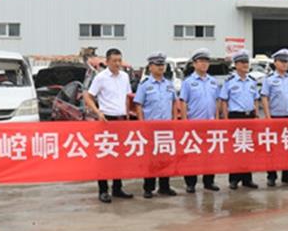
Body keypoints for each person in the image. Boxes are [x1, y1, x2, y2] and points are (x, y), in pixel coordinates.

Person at [84, 47, 134, 203]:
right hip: (106, 120)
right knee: (105, 155)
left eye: (119, 60)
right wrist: (98, 112)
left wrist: (127, 113)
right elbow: (88, 96)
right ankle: (103, 190)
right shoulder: (101, 77)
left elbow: (127, 96)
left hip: (121, 120)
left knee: (119, 157)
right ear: (107, 62)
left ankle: (117, 188)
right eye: (114, 61)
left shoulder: (125, 76)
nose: (117, 64)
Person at [134, 51, 179, 198]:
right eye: (157, 64)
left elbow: (174, 103)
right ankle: (148, 187)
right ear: (150, 67)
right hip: (150, 127)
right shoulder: (145, 85)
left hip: (166, 127)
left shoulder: (169, 85)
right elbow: (138, 105)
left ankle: (164, 186)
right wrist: (141, 123)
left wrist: (174, 120)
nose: (161, 67)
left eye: (162, 64)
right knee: (151, 159)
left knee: (165, 157)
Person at [180, 48, 221, 193]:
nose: (204, 64)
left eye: (206, 61)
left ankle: (209, 181)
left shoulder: (213, 81)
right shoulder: (188, 82)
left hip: (210, 123)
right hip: (194, 123)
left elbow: (217, 101)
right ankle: (190, 183)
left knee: (210, 154)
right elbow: (183, 102)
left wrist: (217, 118)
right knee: (192, 154)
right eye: (201, 61)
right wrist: (184, 121)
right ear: (194, 64)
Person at [261, 48, 288, 187]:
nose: (284, 64)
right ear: (275, 62)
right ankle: (271, 176)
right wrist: (267, 116)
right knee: (273, 149)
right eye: (281, 61)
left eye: (286, 61)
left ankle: (287, 175)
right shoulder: (269, 80)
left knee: (287, 148)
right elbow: (265, 98)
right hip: (275, 117)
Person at [219, 49, 260, 189]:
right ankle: (234, 179)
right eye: (242, 62)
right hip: (236, 116)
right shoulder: (229, 82)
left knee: (248, 147)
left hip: (249, 116)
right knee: (236, 149)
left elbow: (256, 99)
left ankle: (247, 179)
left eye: (246, 62)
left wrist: (256, 114)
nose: (245, 65)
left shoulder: (252, 81)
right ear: (236, 65)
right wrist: (225, 118)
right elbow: (224, 100)